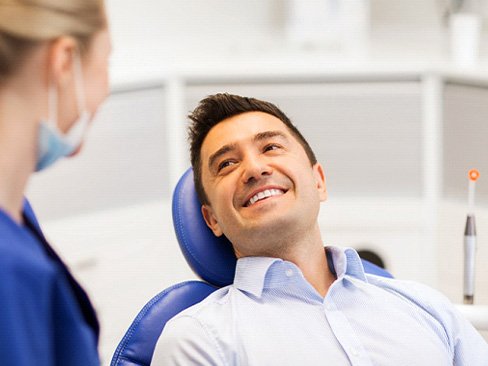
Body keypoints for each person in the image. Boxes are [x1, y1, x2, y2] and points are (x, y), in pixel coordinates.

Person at [152, 93, 488, 365]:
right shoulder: (197, 340)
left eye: (270, 147)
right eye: (227, 164)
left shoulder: (425, 306)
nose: (254, 168)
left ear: (318, 181)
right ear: (212, 220)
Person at [0, 0, 111, 365]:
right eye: (106, 60)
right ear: (64, 61)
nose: (106, 89)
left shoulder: (18, 219)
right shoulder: (8, 268)